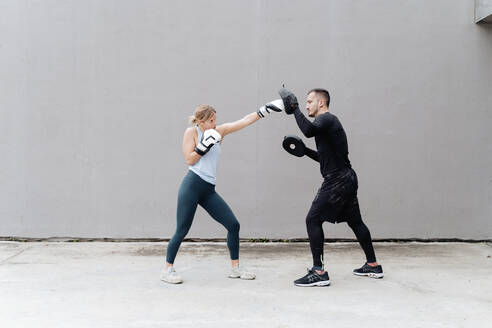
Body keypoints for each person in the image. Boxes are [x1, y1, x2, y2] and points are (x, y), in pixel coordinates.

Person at [161, 99, 284, 284]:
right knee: (182, 229)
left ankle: (235, 268)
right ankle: (167, 270)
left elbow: (243, 121)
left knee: (233, 225)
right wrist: (203, 147)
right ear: (200, 121)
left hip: (208, 189)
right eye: (210, 120)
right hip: (192, 185)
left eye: (215, 119)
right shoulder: (191, 132)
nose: (214, 124)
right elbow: (190, 160)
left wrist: (265, 110)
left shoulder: (219, 132)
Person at [279, 88, 383, 287]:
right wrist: (305, 152)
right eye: (305, 102)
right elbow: (326, 158)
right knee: (355, 221)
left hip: (338, 180)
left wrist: (295, 109)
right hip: (346, 177)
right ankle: (373, 265)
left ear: (321, 103)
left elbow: (308, 131)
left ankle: (319, 272)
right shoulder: (327, 126)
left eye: (309, 101)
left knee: (313, 219)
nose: (307, 104)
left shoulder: (326, 119)